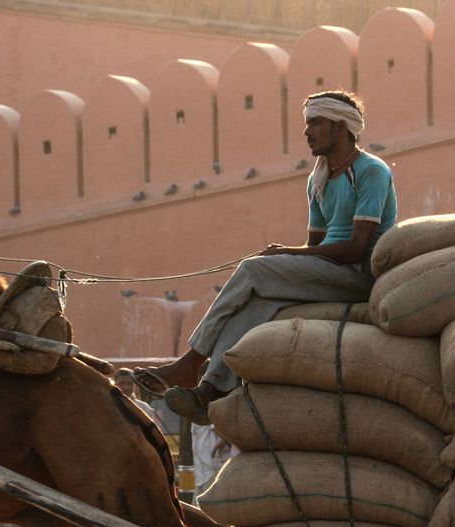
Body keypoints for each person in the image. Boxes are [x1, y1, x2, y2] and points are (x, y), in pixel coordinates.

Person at [131, 90, 397, 423]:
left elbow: (357, 248)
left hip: (357, 275)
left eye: (315, 123)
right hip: (326, 271)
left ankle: (190, 363)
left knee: (252, 272)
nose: (307, 132)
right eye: (307, 123)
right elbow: (313, 245)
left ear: (341, 126)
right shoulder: (319, 179)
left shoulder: (371, 171)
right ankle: (211, 389)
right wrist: (288, 257)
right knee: (257, 301)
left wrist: (285, 254)